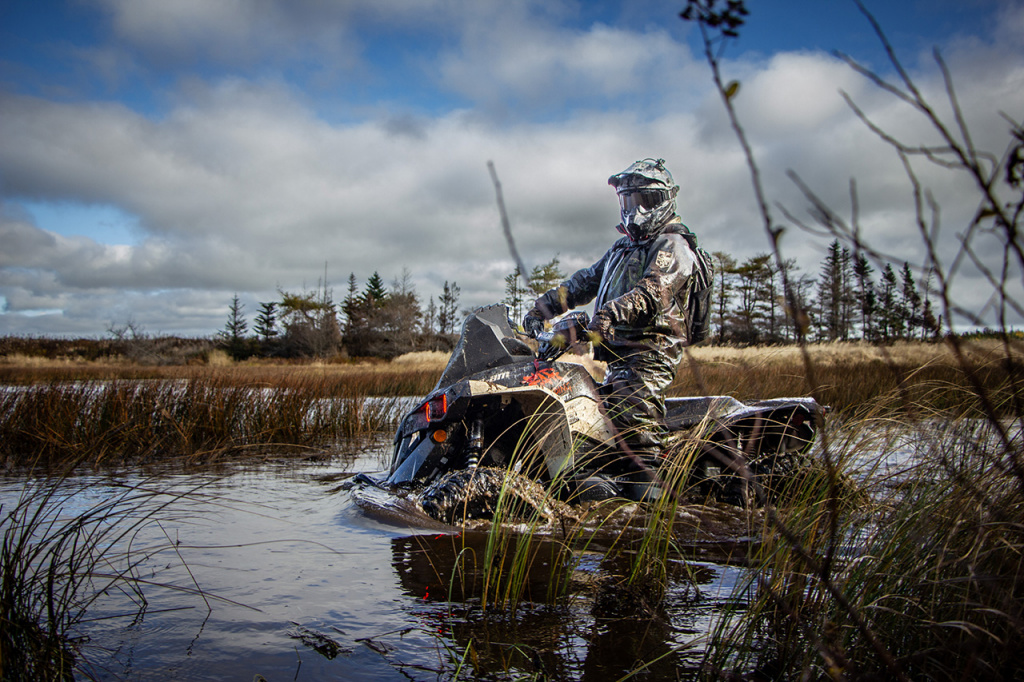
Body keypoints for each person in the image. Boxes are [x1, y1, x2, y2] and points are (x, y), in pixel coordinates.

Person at [522, 158, 709, 498]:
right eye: (628, 201)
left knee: (635, 431)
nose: (635, 210)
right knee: (586, 423)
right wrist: (541, 309)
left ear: (665, 201)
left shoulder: (673, 246)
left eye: (645, 201)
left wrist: (608, 314)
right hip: (616, 358)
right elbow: (582, 282)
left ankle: (649, 502)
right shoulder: (622, 248)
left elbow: (653, 291)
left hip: (650, 354)